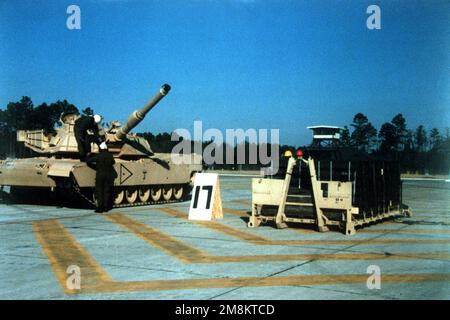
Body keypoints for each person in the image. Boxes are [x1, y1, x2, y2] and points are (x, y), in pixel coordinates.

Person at [87, 142, 116, 213]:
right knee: (106, 191)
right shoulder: (110, 156)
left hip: (100, 175)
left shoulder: (99, 156)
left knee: (99, 191)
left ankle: (100, 207)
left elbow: (88, 161)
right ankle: (106, 207)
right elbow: (113, 162)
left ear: (101, 148)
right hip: (108, 175)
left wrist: (95, 167)